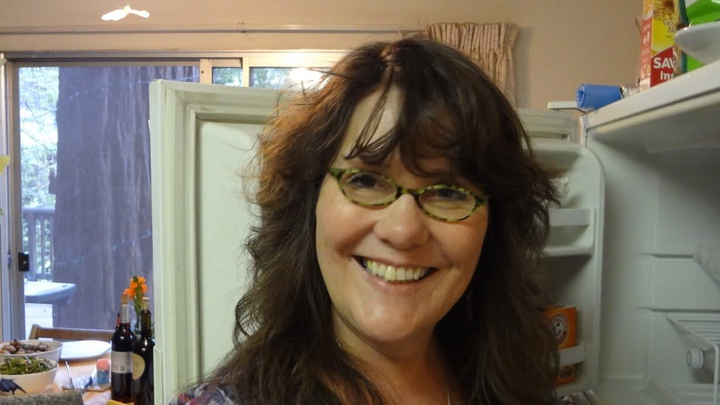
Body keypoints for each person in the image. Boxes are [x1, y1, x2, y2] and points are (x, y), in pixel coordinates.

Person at [170, 36, 559, 405]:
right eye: (367, 181)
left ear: (493, 227)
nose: (403, 231)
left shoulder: (515, 383)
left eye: (448, 192)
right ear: (310, 203)